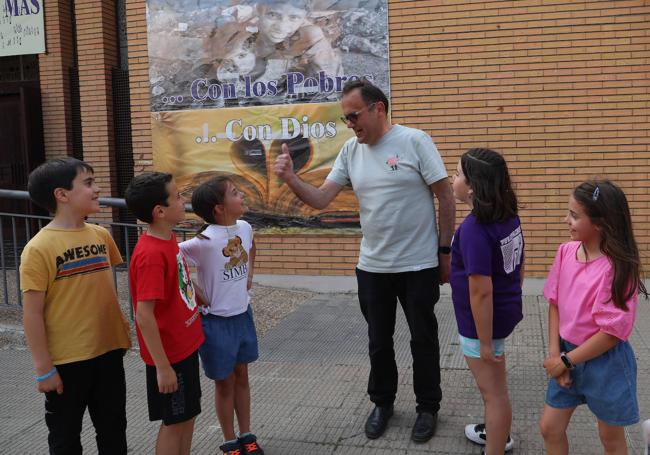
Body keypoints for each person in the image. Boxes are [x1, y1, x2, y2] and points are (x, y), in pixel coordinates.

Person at [273, 79, 455, 443]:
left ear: (378, 109)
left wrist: (444, 252)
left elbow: (446, 196)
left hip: (418, 265)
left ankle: (427, 407)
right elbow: (322, 199)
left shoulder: (414, 141)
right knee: (378, 340)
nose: (350, 124)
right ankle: (383, 403)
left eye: (354, 115)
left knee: (423, 339)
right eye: (345, 118)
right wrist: (291, 178)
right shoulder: (350, 152)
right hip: (373, 267)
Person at [20, 157, 131, 454]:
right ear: (62, 194)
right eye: (89, 183)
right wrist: (43, 368)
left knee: (113, 432)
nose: (97, 189)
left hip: (108, 353)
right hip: (67, 363)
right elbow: (31, 313)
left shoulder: (101, 235)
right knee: (65, 438)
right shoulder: (38, 248)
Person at [539, 180, 646, 455]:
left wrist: (565, 362)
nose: (567, 220)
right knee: (550, 428)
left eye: (575, 216)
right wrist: (555, 356)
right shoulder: (565, 252)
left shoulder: (617, 268)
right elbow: (555, 304)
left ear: (600, 223)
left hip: (605, 364)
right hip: (566, 354)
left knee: (610, 437)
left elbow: (611, 333)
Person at [179, 176, 264, 455]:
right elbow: (171, 260)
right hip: (215, 322)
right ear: (219, 208)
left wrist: (249, 274)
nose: (242, 196)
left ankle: (247, 434)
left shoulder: (245, 227)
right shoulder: (203, 242)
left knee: (242, 375)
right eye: (235, 193)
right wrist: (195, 291)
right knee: (224, 382)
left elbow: (251, 247)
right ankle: (230, 441)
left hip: (242, 316)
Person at [125, 172, 204, 455]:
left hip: (185, 347)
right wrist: (162, 367)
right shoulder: (150, 255)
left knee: (187, 416)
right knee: (174, 422)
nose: (184, 200)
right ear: (160, 211)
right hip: (170, 356)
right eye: (177, 196)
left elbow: (179, 278)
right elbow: (143, 315)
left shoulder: (167, 239)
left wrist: (199, 295)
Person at [450, 149, 523, 455]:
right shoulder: (507, 214)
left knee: (493, 394)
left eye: (457, 173)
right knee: (497, 389)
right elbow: (519, 264)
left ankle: (496, 445)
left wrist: (484, 343)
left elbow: (481, 292)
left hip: (483, 324)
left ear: (471, 187)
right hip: (502, 314)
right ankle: (497, 433)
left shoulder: (474, 230)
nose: (452, 179)